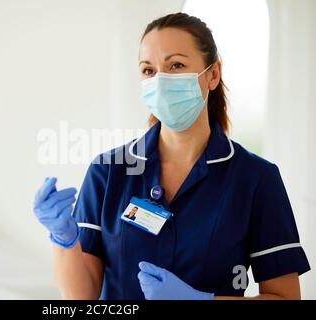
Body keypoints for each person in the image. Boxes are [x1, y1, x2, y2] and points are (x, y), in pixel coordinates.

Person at [33, 13, 310, 300]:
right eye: (148, 70)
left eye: (176, 65)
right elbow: (82, 297)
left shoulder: (256, 178)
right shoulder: (108, 171)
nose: (161, 80)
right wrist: (64, 240)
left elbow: (286, 297)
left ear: (212, 75)